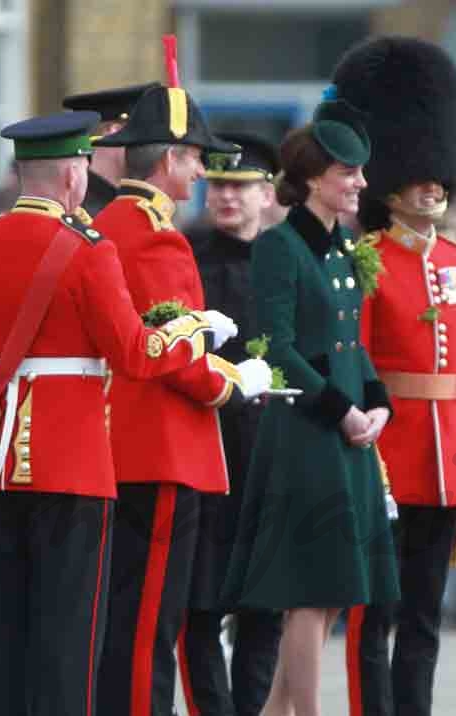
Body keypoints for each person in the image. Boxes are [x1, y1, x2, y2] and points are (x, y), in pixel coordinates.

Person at [0, 110, 235, 716]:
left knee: (6, 638)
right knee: (68, 644)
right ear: (75, 173)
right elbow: (134, 351)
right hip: (70, 464)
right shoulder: (86, 249)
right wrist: (194, 329)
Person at [91, 84, 272, 716]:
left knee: (128, 617)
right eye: (196, 158)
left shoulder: (113, 224)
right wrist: (232, 383)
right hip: (162, 449)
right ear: (169, 158)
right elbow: (172, 355)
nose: (202, 173)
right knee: (150, 626)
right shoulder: (154, 238)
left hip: (125, 449)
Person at [331, 37, 456, 716]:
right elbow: (354, 362)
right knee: (377, 617)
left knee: (425, 619)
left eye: (440, 176)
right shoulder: (364, 259)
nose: (435, 186)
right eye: (421, 175)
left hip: (447, 457)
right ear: (391, 180)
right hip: (389, 457)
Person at [220, 94, 399, 716]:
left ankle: (276, 711)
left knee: (331, 593)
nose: (361, 183)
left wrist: (377, 403)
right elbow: (274, 348)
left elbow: (351, 341)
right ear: (314, 179)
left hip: (342, 432)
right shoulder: (281, 247)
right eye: (349, 172)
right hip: (305, 432)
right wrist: (342, 410)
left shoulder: (341, 249)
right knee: (311, 590)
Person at [179, 132, 284, 716]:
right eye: (217, 184)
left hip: (269, 453)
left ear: (266, 194)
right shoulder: (188, 254)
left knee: (264, 606)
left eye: (240, 187)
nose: (226, 197)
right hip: (208, 450)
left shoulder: (285, 258)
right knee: (201, 605)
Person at [62, 82, 163, 217]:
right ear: (115, 132)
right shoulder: (80, 211)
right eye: (144, 132)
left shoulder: (129, 203)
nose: (151, 145)